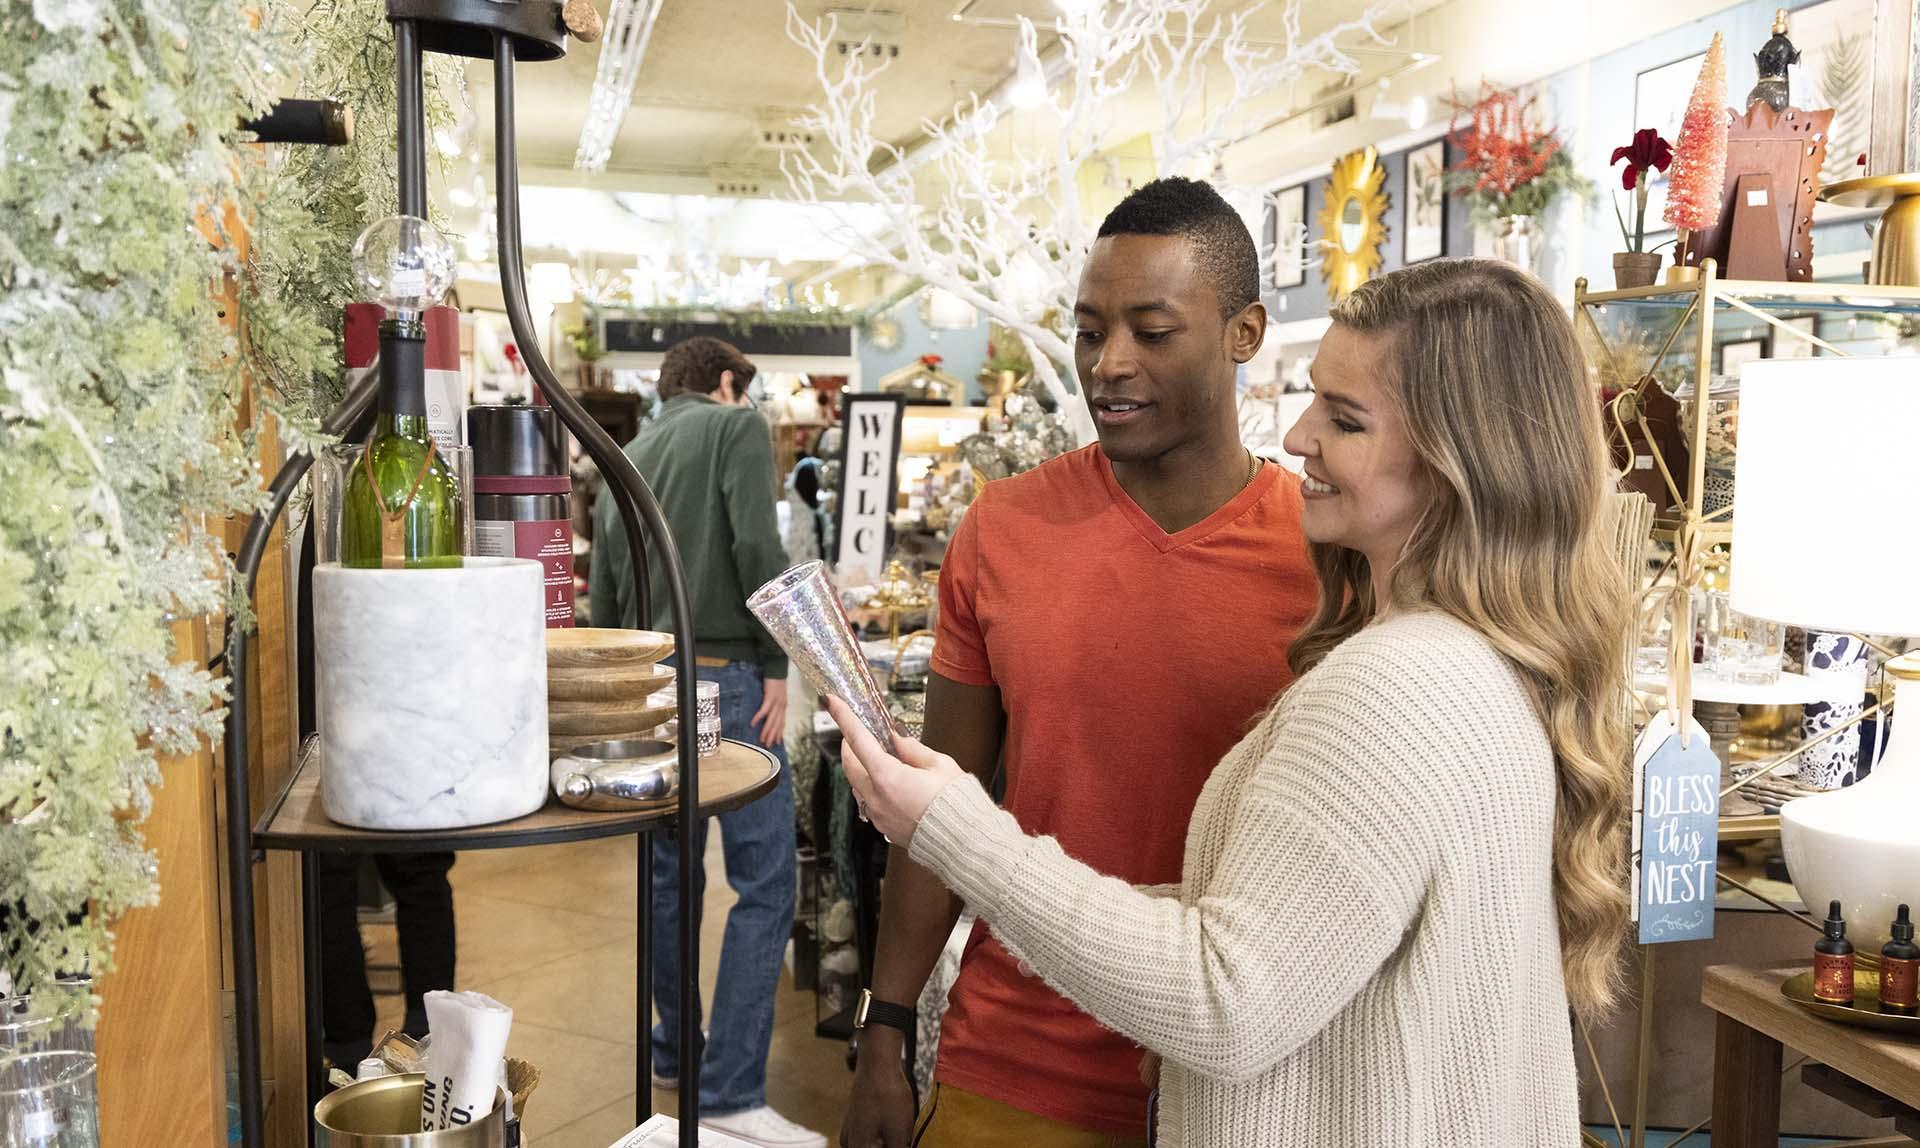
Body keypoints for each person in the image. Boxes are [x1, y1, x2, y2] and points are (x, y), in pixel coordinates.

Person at [829, 258, 1633, 1146]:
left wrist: (952, 827)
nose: (1298, 436)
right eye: (1091, 332)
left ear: (1456, 462)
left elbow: (1225, 1001)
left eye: (1345, 419)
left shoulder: (1392, 691)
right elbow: (1306, 928)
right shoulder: (1486, 664)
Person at [841, 177, 1319, 1148]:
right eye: (1090, 329)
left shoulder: (1327, 553)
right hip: (1016, 1060)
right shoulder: (1003, 530)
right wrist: (886, 1027)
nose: (1110, 363)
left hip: (1241, 1080)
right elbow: (943, 805)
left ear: (1244, 331)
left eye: (1151, 329)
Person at [589, 335, 823, 1148]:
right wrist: (775, 659)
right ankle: (728, 1091)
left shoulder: (627, 454)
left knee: (668, 877)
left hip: (648, 684)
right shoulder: (737, 428)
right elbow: (757, 545)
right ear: (727, 384)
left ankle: (672, 1051)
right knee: (765, 882)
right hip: (726, 672)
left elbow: (603, 600)